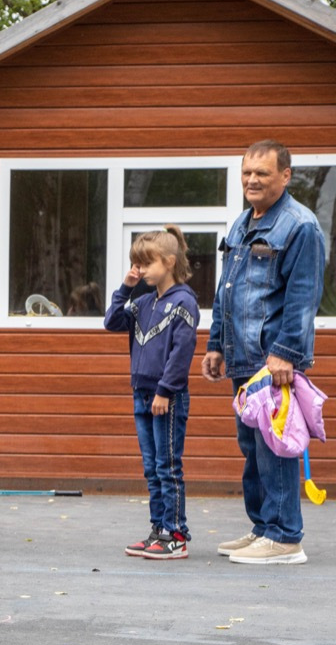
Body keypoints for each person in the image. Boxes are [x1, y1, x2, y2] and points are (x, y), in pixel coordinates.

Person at [203, 140, 325, 565]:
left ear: (286, 176)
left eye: (263, 173)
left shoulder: (299, 226)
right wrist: (216, 343)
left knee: (275, 445)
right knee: (251, 445)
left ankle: (285, 536)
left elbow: (303, 297)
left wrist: (286, 353)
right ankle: (262, 527)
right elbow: (227, 290)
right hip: (243, 356)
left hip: (272, 358)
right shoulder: (242, 223)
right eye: (247, 173)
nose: (252, 180)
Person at [105, 226, 199, 560]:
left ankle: (175, 535)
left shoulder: (184, 303)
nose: (140, 270)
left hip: (166, 398)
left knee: (167, 466)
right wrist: (126, 288)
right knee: (151, 467)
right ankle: (158, 530)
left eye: (146, 264)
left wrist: (164, 391)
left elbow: (181, 354)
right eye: (137, 264)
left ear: (169, 262)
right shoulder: (143, 301)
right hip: (142, 395)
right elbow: (112, 321)